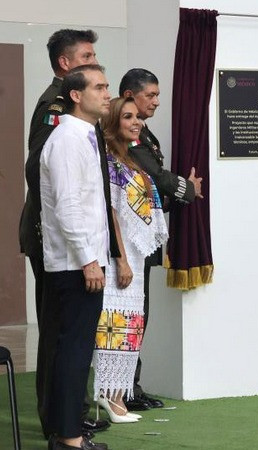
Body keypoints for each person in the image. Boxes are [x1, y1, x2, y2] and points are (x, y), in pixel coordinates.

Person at [20, 29, 112, 441]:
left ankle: (70, 419)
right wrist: (74, 250)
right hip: (60, 246)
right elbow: (51, 186)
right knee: (62, 341)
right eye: (88, 58)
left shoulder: (85, 129)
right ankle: (60, 425)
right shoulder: (57, 114)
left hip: (79, 248)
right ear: (67, 67)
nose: (105, 89)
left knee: (74, 343)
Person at [119, 68, 203, 410]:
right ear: (128, 95)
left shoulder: (144, 132)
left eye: (157, 95)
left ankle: (131, 386)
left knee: (140, 314)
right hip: (125, 240)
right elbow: (154, 175)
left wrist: (172, 196)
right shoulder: (125, 132)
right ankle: (119, 389)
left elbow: (152, 188)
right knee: (125, 315)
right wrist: (188, 190)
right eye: (149, 95)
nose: (156, 101)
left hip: (144, 236)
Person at [93, 97, 169, 423]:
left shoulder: (131, 158)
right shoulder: (108, 162)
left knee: (131, 328)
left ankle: (118, 394)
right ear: (112, 121)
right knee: (115, 325)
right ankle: (109, 397)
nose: (136, 121)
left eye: (137, 117)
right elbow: (110, 213)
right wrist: (121, 258)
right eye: (128, 117)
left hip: (135, 260)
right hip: (118, 259)